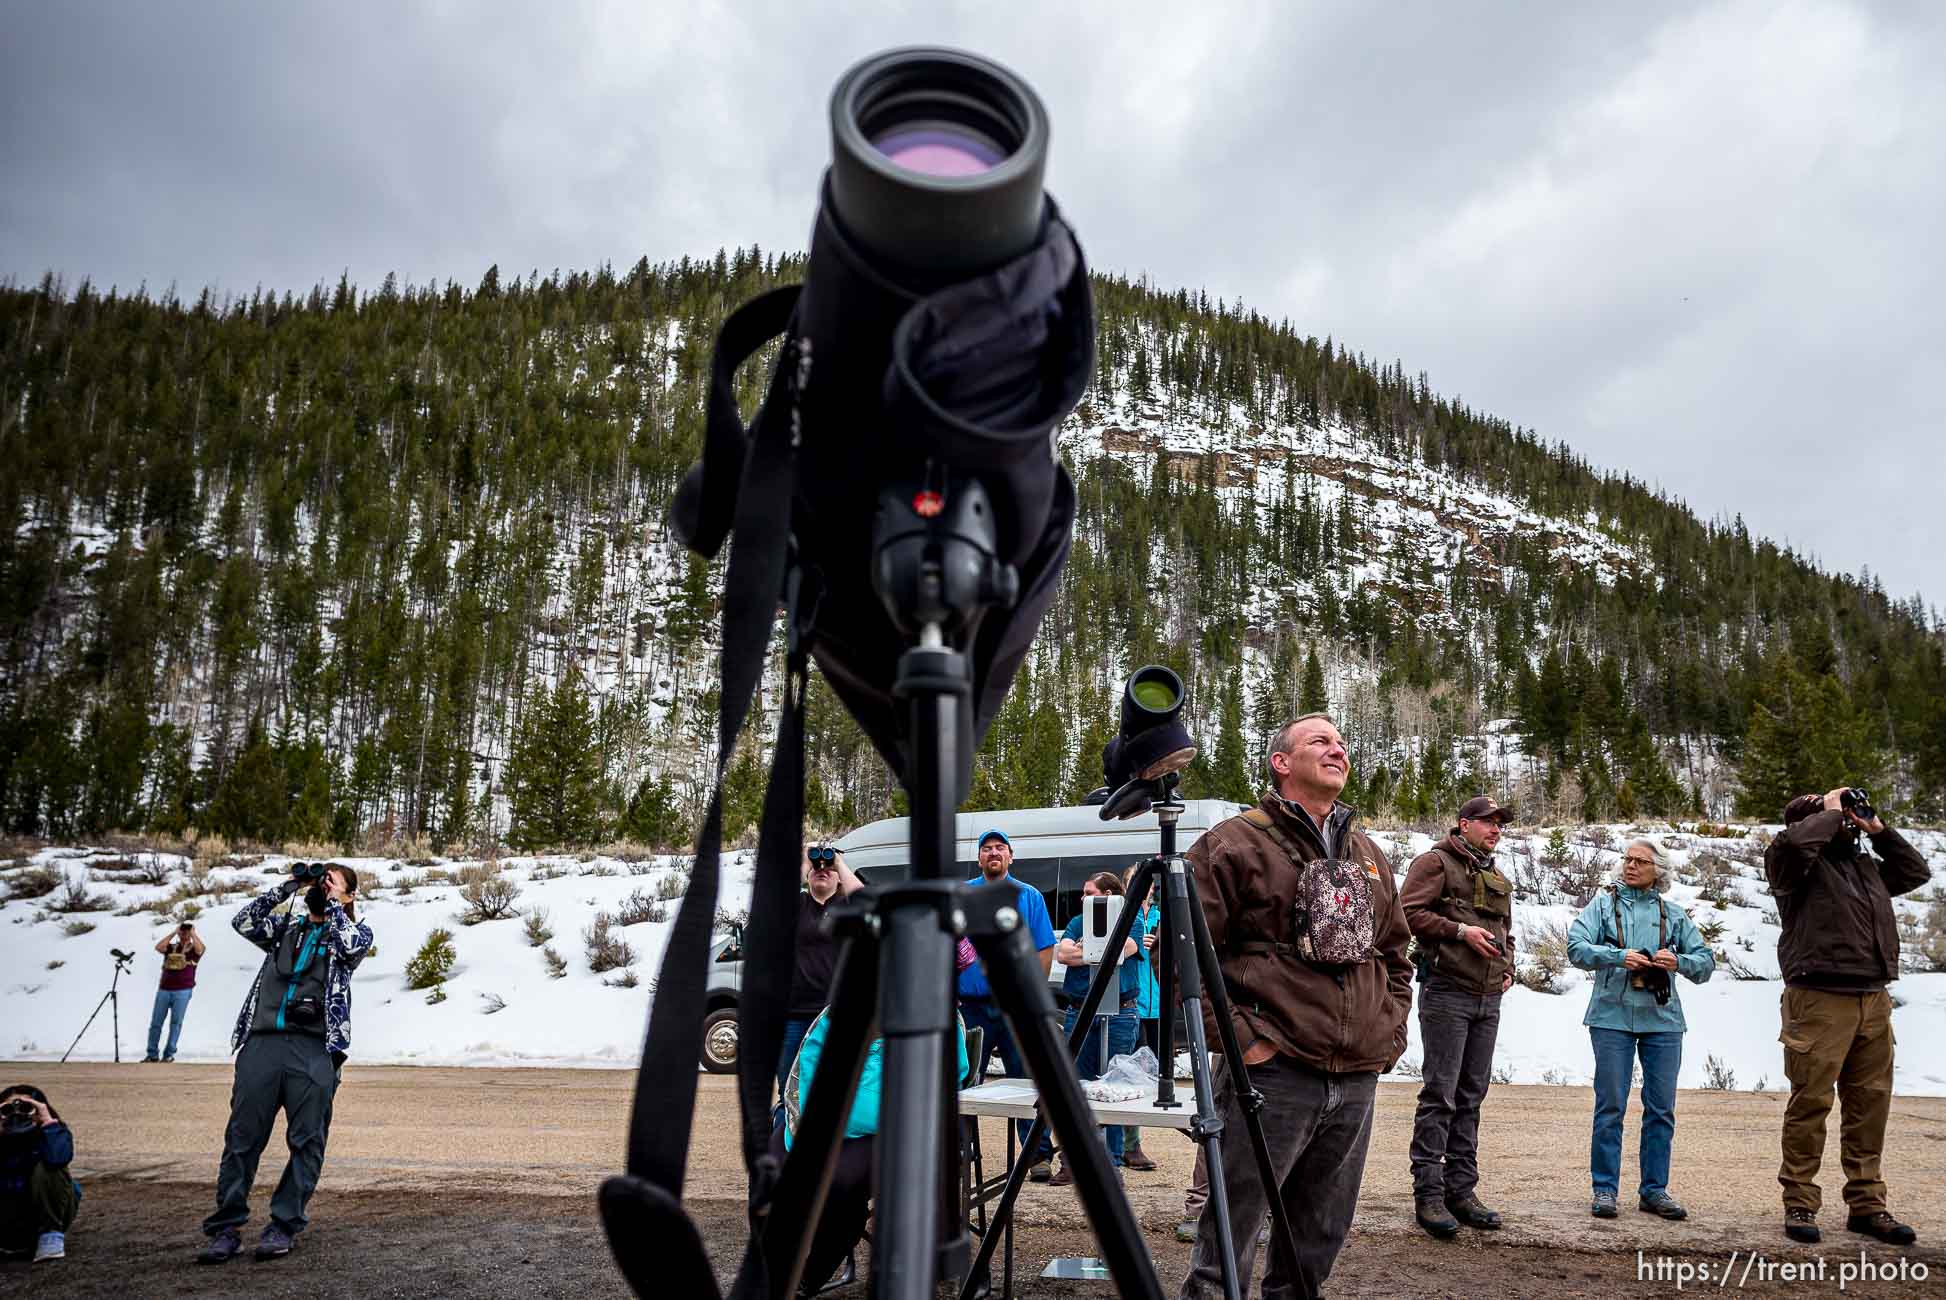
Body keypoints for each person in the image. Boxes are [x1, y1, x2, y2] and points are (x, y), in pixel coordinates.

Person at [1179, 713, 1413, 1300]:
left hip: (1355, 1076)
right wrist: (1242, 1041)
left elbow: (1395, 954)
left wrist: (1389, 1032)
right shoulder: (1231, 845)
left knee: (1316, 1239)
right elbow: (1182, 963)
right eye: (1320, 742)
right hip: (1273, 1072)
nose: (1337, 749)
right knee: (1230, 1233)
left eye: (1341, 743)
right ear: (1282, 763)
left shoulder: (1368, 853)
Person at [1765, 789, 1930, 1246]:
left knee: (1869, 1107)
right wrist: (1830, 809)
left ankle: (1867, 1205)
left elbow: (1915, 872)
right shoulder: (1790, 861)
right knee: (1811, 1103)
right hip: (1818, 998)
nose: (1846, 825)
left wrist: (1879, 830)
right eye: (1835, 817)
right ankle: (1800, 1200)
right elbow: (1799, 843)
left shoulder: (1864, 867)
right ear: (1809, 821)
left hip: (1873, 998)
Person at [197, 862, 373, 1264]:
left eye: (332, 882)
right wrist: (290, 886)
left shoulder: (353, 932)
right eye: (320, 879)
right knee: (242, 1138)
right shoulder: (284, 930)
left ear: (349, 896)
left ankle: (284, 1223)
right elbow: (244, 921)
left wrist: (330, 908)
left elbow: (351, 945)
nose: (321, 886)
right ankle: (226, 1227)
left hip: (313, 1049)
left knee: (307, 1139)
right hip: (262, 1044)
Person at [774, 951, 973, 1298]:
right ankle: (774, 1268)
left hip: (893, 1132)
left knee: (842, 1184)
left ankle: (806, 1277)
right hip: (823, 1126)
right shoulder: (844, 1006)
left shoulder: (936, 1012)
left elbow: (945, 1078)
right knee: (773, 1168)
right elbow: (809, 1064)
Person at [1566, 839, 1714, 1222]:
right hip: (1610, 1018)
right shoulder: (1602, 906)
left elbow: (1706, 963)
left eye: (1641, 862)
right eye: (1627, 859)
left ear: (1658, 871)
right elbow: (1576, 947)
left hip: (1662, 1021)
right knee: (1610, 1106)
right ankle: (1605, 1190)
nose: (1631, 866)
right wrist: (1617, 956)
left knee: (1661, 1109)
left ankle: (1654, 1190)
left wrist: (1677, 961)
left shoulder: (1673, 914)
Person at [1399, 794, 1517, 1237]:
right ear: (1464, 824)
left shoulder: (1496, 874)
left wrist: (1511, 969)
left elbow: (1507, 931)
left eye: (1499, 824)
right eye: (1488, 822)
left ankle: (1461, 1191)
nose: (1495, 829)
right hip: (1447, 992)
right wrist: (1459, 931)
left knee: (1472, 1095)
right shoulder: (1434, 863)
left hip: (1489, 998)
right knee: (1441, 1095)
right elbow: (1407, 913)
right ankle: (1428, 1195)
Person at [955, 828, 1057, 1178]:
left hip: (1015, 1008)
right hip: (971, 1007)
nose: (993, 853)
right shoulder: (962, 896)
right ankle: (958, 1147)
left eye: (1000, 848)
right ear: (980, 858)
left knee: (1027, 1079)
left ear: (1011, 857)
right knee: (963, 1078)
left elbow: (1045, 948)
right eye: (986, 849)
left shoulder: (1028, 897)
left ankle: (1037, 1155)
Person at [1048, 871, 1144, 1184]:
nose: (1083, 898)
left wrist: (1086, 950)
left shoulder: (1132, 919)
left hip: (1119, 1015)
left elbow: (1123, 951)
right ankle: (1072, 1160)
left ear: (1109, 896)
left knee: (1113, 1087)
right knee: (1076, 1085)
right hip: (1079, 1012)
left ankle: (1111, 1162)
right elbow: (1063, 954)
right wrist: (1096, 950)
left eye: (1090, 893)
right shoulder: (1077, 921)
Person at [779, 842, 865, 1104]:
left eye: (828, 868)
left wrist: (837, 861)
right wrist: (806, 859)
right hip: (794, 1015)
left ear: (840, 878)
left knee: (840, 1087)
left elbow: (868, 899)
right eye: (816, 868)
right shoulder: (797, 907)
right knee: (789, 1088)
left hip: (837, 1015)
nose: (822, 869)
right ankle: (786, 1141)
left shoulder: (848, 907)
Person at [0, 1085, 79, 1263]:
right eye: (7, 1109)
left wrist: (48, 1123)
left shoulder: (52, 1134)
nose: (17, 1114)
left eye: (27, 1107)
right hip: (5, 1218)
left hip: (41, 1221)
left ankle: (50, 1236)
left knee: (50, 1165)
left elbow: (59, 1158)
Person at [1119, 865, 1163, 1172]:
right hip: (1132, 1005)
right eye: (1134, 879)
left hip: (1159, 1007)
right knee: (1127, 1075)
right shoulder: (1122, 914)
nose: (1142, 885)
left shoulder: (1163, 914)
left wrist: (1161, 944)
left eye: (1144, 880)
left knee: (1158, 1080)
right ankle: (1130, 1146)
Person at [144, 920, 205, 1063]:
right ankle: (152, 1054)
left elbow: (199, 950)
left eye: (186, 931)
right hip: (164, 989)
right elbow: (159, 947)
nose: (184, 933)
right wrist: (174, 933)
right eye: (183, 930)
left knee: (176, 1023)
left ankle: (169, 1054)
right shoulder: (172, 948)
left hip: (183, 990)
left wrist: (193, 934)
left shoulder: (193, 949)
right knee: (156, 1023)